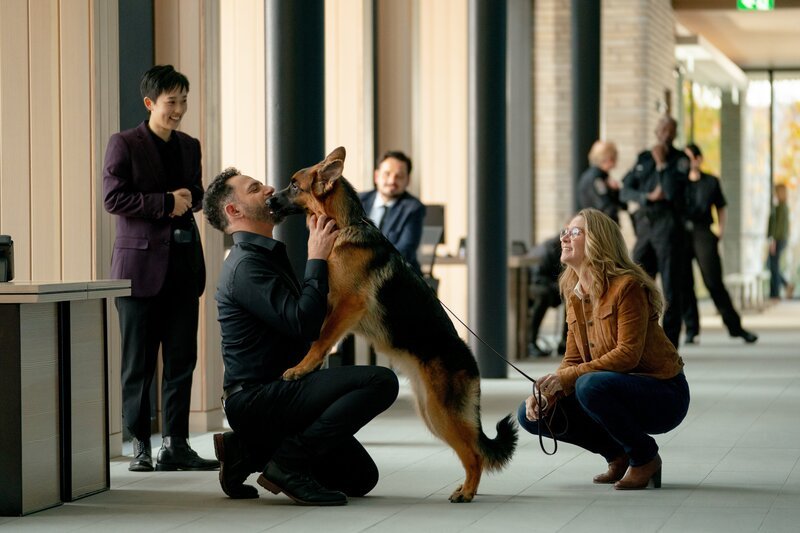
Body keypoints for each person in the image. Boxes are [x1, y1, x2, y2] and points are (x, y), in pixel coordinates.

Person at [203, 167, 399, 505]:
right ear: (233, 211)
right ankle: (287, 464)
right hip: (258, 398)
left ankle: (246, 450)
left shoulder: (265, 255)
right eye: (255, 188)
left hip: (284, 391)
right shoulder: (245, 267)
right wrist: (317, 258)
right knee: (381, 381)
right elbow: (303, 324)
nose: (270, 188)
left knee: (361, 478)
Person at [517, 208, 690, 490]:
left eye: (575, 232)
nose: (564, 237)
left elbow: (627, 354)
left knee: (588, 385)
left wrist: (568, 379)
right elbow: (572, 358)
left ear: (598, 241)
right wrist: (550, 390)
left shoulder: (627, 287)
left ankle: (645, 457)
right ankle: (618, 455)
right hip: (608, 386)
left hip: (664, 394)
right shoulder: (573, 291)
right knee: (532, 414)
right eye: (564, 231)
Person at [103, 64, 218, 472]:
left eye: (184, 101)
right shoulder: (124, 144)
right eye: (172, 102)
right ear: (151, 103)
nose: (180, 109)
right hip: (138, 271)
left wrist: (191, 198)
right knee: (138, 364)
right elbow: (114, 200)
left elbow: (198, 194)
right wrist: (166, 203)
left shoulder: (190, 145)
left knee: (181, 361)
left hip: (183, 269)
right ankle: (140, 446)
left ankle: (176, 444)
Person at [621, 115, 689, 348]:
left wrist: (662, 166)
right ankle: (640, 339)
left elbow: (672, 193)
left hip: (668, 226)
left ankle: (669, 346)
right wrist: (646, 197)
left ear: (675, 134)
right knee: (636, 281)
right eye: (662, 129)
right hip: (645, 226)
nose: (665, 134)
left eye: (670, 130)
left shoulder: (680, 160)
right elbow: (625, 189)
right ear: (656, 130)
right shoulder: (643, 158)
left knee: (670, 286)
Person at [680, 144, 757, 345]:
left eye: (690, 158)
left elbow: (721, 207)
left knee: (713, 281)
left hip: (704, 231)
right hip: (680, 234)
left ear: (698, 159)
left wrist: (720, 231)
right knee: (684, 284)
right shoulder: (678, 182)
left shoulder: (711, 182)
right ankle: (691, 329)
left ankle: (735, 327)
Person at [360, 150, 426, 274]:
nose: (392, 181)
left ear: (407, 180)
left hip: (399, 278)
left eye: (399, 176)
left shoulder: (414, 208)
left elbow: (405, 252)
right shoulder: (358, 201)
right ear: (376, 176)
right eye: (387, 174)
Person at [527, 235, 567, 357]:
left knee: (573, 296)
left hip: (552, 286)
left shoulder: (563, 247)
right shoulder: (549, 248)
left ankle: (565, 343)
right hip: (537, 285)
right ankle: (531, 343)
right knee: (543, 296)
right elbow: (538, 278)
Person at [577, 140, 626, 224]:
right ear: (608, 159)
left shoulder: (598, 176)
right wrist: (614, 191)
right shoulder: (596, 178)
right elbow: (604, 205)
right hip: (600, 226)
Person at [767, 183, 794, 300]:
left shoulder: (781, 208)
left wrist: (773, 241)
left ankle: (776, 293)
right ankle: (784, 286)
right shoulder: (781, 207)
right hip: (780, 240)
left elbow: (778, 227)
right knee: (772, 265)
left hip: (778, 240)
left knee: (773, 266)